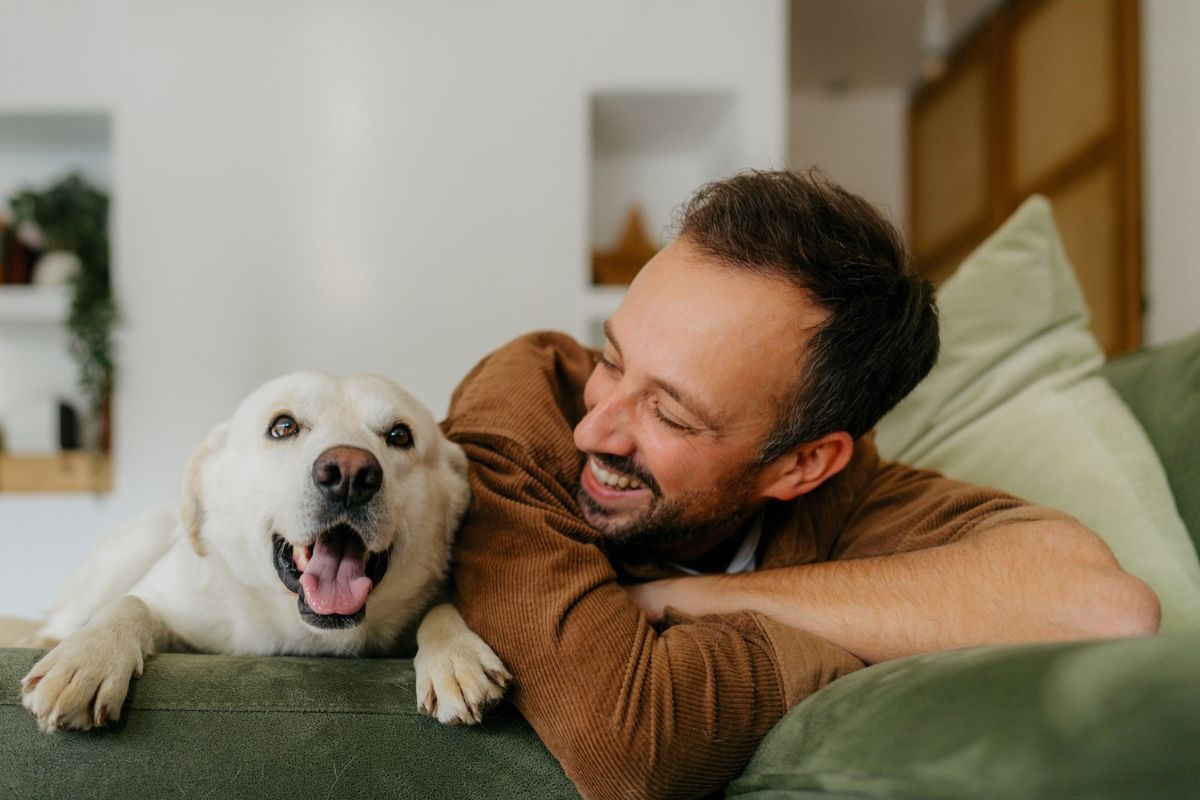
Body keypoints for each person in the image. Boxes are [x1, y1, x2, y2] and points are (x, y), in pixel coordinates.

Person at [442, 170, 1159, 800]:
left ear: (803, 466)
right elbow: (630, 744)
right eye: (613, 359)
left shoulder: (851, 497)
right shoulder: (522, 406)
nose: (595, 430)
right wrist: (842, 644)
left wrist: (689, 598)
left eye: (670, 411)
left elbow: (1105, 608)